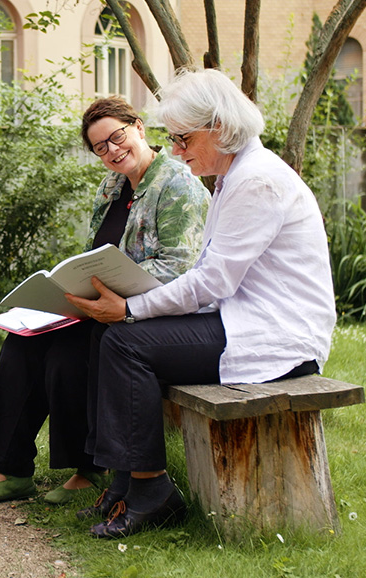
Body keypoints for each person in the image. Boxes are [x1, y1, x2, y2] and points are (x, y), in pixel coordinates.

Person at [65, 68, 337, 539]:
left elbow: (211, 282)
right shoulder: (237, 176)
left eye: (183, 138)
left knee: (126, 342)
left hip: (279, 336)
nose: (175, 150)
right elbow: (209, 279)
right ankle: (125, 481)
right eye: (172, 139)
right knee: (112, 336)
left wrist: (130, 310)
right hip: (241, 318)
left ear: (220, 126)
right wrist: (125, 313)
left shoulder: (257, 181)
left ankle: (151, 492)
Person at [0, 96, 211, 506]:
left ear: (139, 128)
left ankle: (89, 467)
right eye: (101, 147)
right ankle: (10, 468)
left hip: (148, 313)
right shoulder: (111, 186)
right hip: (100, 304)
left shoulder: (177, 183)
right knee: (22, 343)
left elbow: (181, 267)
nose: (113, 151)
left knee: (67, 356)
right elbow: (98, 252)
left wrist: (111, 296)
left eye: (117, 137)